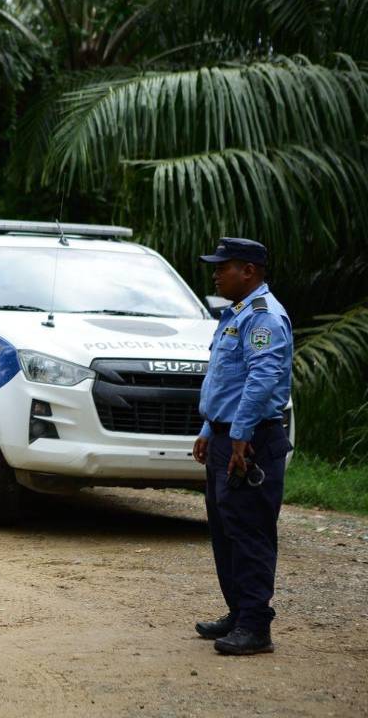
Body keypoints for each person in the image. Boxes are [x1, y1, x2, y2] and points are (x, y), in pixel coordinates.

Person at [192, 237, 293, 655]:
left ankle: (256, 626)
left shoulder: (264, 318)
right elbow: (226, 380)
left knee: (250, 532)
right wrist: (207, 428)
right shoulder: (236, 314)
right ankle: (238, 612)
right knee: (225, 530)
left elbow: (262, 378)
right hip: (224, 437)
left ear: (248, 271)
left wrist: (240, 435)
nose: (215, 273)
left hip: (249, 442)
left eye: (223, 266)